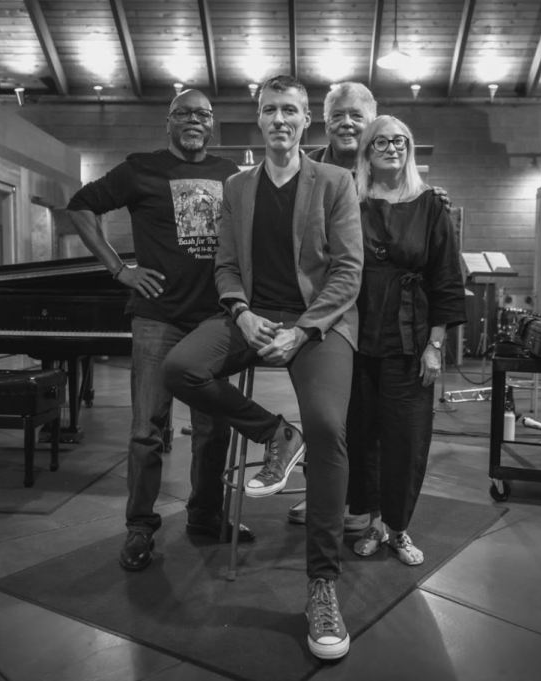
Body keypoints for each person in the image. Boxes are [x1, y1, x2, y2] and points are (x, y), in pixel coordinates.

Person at [163, 74, 362, 660]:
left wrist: (303, 330)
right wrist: (243, 314)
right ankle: (277, 433)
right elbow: (225, 266)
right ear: (259, 118)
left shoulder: (335, 182)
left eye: (291, 111)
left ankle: (323, 585)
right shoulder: (238, 186)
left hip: (319, 322)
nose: (280, 119)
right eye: (270, 110)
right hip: (254, 316)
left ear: (307, 121)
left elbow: (348, 272)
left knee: (329, 427)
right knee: (180, 369)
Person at [58, 88, 253, 574]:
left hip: (214, 319)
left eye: (203, 114)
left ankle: (205, 517)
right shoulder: (140, 169)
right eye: (184, 113)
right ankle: (140, 527)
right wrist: (118, 269)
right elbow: (81, 205)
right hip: (157, 317)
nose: (194, 120)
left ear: (212, 125)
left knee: (213, 428)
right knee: (147, 429)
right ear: (168, 122)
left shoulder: (232, 175)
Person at [286, 81, 451, 530]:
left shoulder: (408, 191)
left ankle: (374, 513)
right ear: (323, 122)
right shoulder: (309, 170)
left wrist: (435, 339)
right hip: (332, 317)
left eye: (356, 116)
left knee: (388, 428)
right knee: (332, 422)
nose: (346, 123)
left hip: (392, 326)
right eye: (337, 115)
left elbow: (440, 269)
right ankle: (330, 498)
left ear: (373, 120)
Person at [347, 115, 467, 566]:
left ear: (409, 148)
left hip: (410, 339)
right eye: (381, 141)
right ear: (367, 151)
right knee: (362, 436)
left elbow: (446, 279)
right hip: (356, 338)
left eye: (400, 141)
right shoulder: (350, 201)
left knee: (407, 438)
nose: (392, 148)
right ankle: (373, 521)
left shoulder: (431, 204)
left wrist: (435, 344)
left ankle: (398, 528)